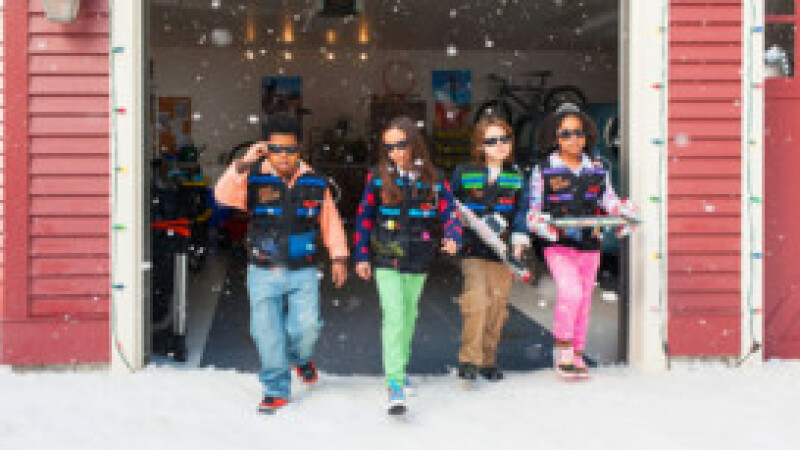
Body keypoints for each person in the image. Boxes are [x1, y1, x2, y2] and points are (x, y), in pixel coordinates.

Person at [214, 114, 348, 413]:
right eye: (276, 149)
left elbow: (330, 221)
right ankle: (275, 387)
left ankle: (301, 358)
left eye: (290, 149)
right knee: (266, 332)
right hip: (263, 270)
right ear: (266, 149)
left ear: (300, 149)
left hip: (304, 270)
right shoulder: (252, 178)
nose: (283, 156)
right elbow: (221, 194)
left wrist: (339, 256)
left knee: (307, 327)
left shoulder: (315, 181)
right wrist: (246, 161)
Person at [352, 116, 462, 415]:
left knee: (409, 315)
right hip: (385, 255)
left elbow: (450, 213)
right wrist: (361, 255)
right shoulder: (377, 177)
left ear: (414, 142)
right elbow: (364, 217)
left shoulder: (435, 178)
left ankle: (400, 367)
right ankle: (395, 382)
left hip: (419, 257)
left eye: (401, 145)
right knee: (394, 315)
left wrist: (453, 236)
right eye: (389, 147)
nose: (395, 152)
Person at [527, 106, 638, 380]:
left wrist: (623, 209)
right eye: (566, 134)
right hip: (559, 244)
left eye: (578, 133)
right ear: (555, 137)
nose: (573, 139)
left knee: (585, 299)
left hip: (590, 244)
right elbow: (534, 209)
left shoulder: (597, 169)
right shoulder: (544, 171)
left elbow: (608, 199)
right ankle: (563, 349)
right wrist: (539, 223)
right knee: (571, 292)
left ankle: (577, 352)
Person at [449, 117, 530, 384]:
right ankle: (469, 360)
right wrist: (457, 226)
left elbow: (522, 214)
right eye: (492, 140)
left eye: (504, 139)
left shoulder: (516, 176)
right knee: (476, 301)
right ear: (480, 145)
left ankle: (487, 360)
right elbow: (450, 205)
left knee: (497, 307)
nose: (499, 145)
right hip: (473, 248)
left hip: (502, 252)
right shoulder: (464, 172)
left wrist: (517, 247)